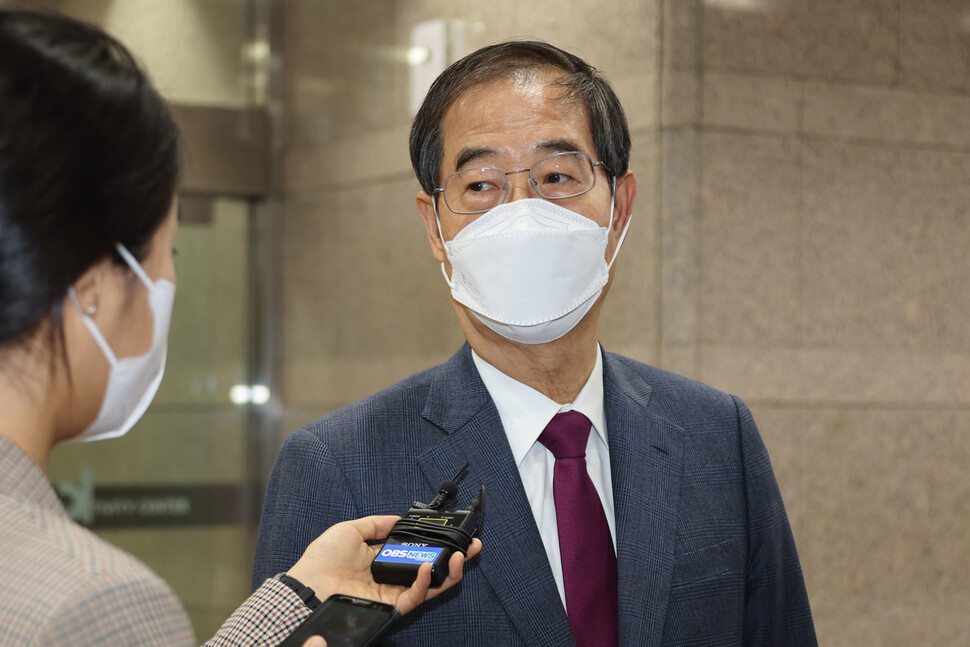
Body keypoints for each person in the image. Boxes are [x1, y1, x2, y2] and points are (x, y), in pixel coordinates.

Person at [253, 41, 817, 646]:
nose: (521, 214)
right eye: (480, 186)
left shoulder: (716, 435)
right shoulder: (337, 467)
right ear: (434, 226)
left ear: (620, 209)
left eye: (556, 177)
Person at [0, 9, 479, 647]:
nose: (169, 281)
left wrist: (301, 591)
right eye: (169, 254)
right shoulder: (94, 605)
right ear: (92, 288)